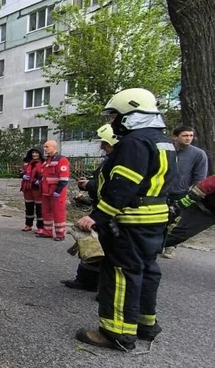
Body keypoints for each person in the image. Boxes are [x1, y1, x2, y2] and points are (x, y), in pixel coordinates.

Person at [75, 88, 178, 351]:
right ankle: (145, 324)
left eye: (115, 117)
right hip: (155, 220)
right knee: (147, 270)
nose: (113, 123)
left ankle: (117, 333)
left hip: (131, 220)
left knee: (121, 273)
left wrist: (96, 217)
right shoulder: (162, 141)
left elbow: (123, 186)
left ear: (130, 115)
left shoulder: (134, 142)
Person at [61, 124, 119, 292]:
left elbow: (113, 187)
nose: (102, 146)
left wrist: (90, 184)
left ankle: (103, 288)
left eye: (105, 143)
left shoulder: (121, 161)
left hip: (109, 212)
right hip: (101, 208)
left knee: (102, 249)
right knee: (91, 246)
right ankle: (85, 281)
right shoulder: (111, 160)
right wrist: (88, 185)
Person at [162, 125, 209, 259]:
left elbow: (200, 178)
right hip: (160, 192)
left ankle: (170, 246)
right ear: (175, 136)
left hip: (181, 194)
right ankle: (155, 243)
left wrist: (190, 193)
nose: (188, 138)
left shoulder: (198, 154)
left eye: (190, 136)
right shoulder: (165, 150)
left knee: (175, 223)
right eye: (185, 135)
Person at [165, 175, 215, 249]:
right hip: (205, 209)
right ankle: (146, 248)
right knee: (178, 236)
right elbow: (208, 184)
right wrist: (189, 198)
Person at [38, 140, 70, 241]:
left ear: (54, 147)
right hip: (46, 191)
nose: (45, 149)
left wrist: (58, 190)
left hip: (56, 192)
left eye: (47, 147)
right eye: (44, 147)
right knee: (46, 212)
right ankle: (47, 232)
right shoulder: (47, 161)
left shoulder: (62, 160)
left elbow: (64, 178)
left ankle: (60, 234)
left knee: (58, 212)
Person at [19, 146, 45, 233]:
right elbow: (21, 172)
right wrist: (22, 175)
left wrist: (40, 180)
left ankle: (40, 227)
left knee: (39, 209)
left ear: (40, 154)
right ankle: (28, 225)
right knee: (29, 207)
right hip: (27, 188)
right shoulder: (27, 163)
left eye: (37, 153)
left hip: (38, 189)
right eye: (33, 153)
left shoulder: (43, 164)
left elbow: (45, 175)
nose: (34, 154)